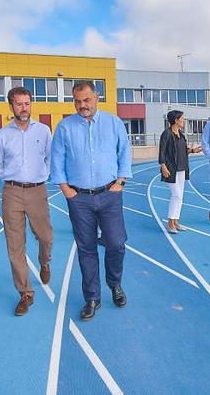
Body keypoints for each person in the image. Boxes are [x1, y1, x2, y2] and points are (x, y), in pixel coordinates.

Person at [51, 80, 132, 321]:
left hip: (110, 194)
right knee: (86, 249)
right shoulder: (64, 127)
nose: (82, 105)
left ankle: (115, 284)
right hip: (79, 199)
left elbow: (124, 151)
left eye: (86, 100)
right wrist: (66, 190)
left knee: (116, 243)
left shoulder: (113, 122)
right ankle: (92, 298)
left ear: (97, 97)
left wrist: (120, 182)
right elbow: (57, 160)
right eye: (77, 101)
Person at [0, 87, 54, 316]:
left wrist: (39, 177)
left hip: (38, 191)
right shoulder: (3, 135)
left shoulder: (44, 131)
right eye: (19, 104)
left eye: (27, 103)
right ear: (11, 107)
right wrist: (14, 178)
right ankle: (25, 294)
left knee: (46, 237)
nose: (24, 108)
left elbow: (50, 157)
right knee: (15, 247)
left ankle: (44, 262)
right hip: (12, 192)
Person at [159, 110, 202, 233]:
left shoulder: (181, 134)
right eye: (182, 119)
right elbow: (162, 152)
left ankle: (176, 221)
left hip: (182, 168)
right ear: (176, 120)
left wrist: (193, 151)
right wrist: (163, 166)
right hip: (171, 169)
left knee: (180, 196)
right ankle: (170, 221)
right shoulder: (166, 134)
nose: (184, 121)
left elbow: (183, 150)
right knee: (176, 195)